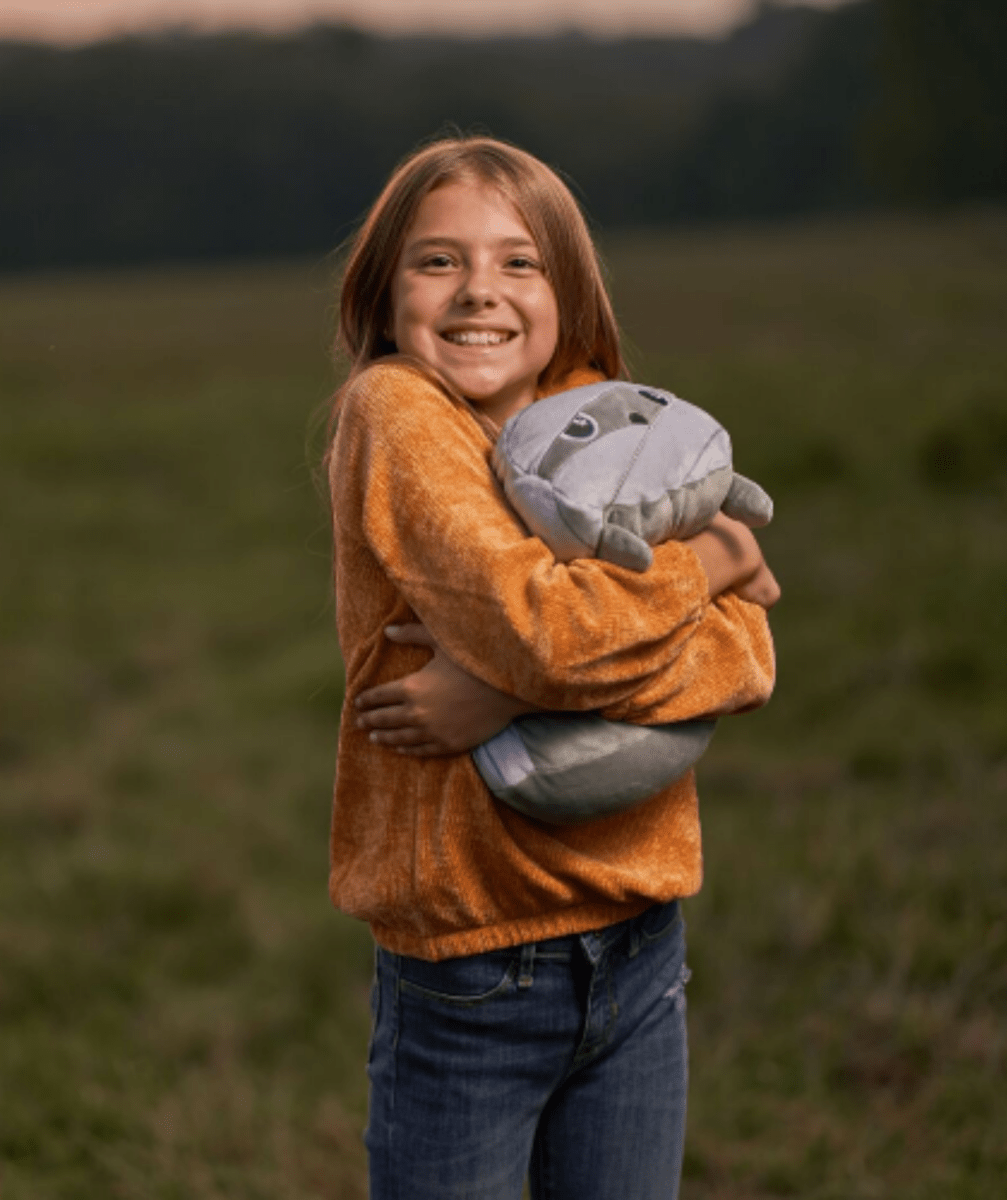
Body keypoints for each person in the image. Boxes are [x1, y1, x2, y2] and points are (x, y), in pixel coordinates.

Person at [325, 134, 779, 1200]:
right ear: (385, 295)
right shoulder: (398, 415)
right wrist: (710, 558)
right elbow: (550, 631)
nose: (481, 291)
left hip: (639, 949)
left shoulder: (609, 418)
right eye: (438, 261)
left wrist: (497, 687)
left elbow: (749, 653)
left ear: (568, 292)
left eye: (519, 262)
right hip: (474, 968)